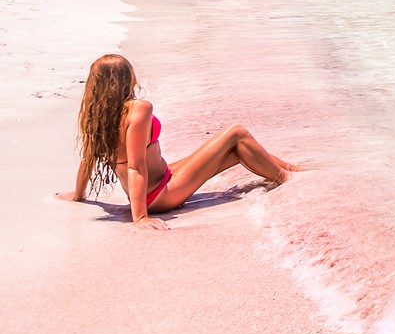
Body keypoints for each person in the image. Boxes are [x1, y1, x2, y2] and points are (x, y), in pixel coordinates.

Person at [55, 53, 301, 230]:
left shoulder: (95, 116)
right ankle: (288, 180)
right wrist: (140, 217)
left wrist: (78, 194)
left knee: (236, 151)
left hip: (156, 184)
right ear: (127, 78)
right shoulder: (138, 109)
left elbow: (87, 159)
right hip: (159, 195)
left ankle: (293, 172)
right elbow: (135, 166)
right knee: (236, 132)